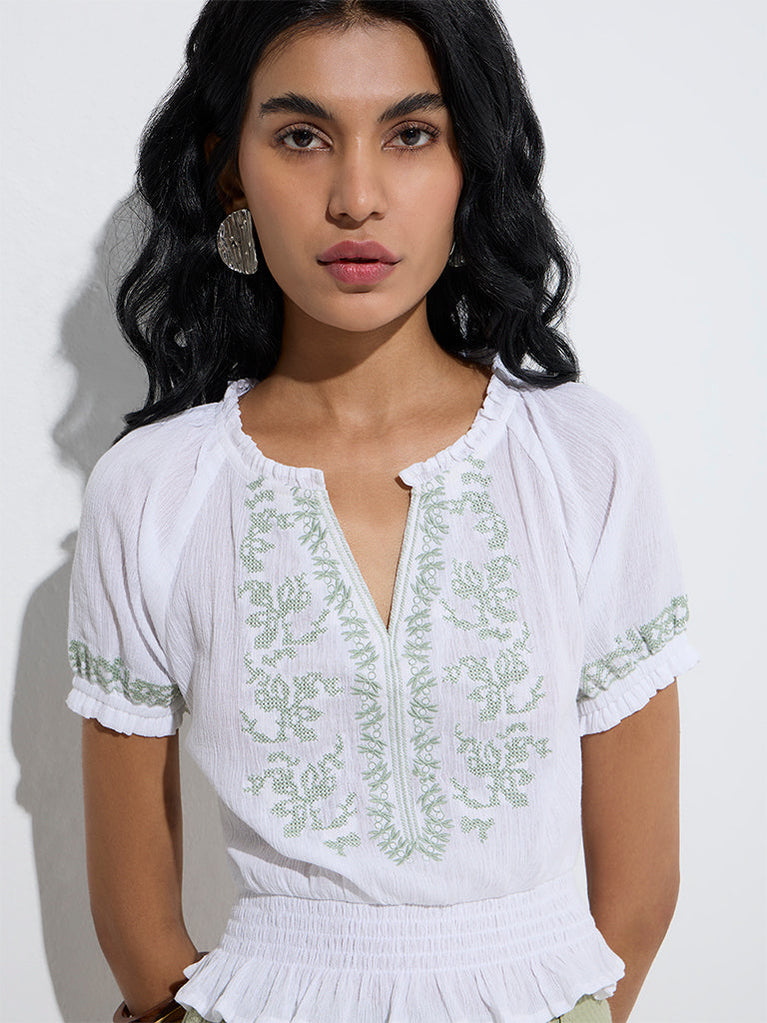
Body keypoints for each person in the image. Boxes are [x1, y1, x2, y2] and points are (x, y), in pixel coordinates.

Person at [65, 2, 701, 1022]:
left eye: (409, 134)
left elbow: (639, 884)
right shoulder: (152, 490)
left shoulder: (583, 461)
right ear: (231, 174)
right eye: (300, 137)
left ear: (467, 165)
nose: (355, 198)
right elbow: (135, 921)